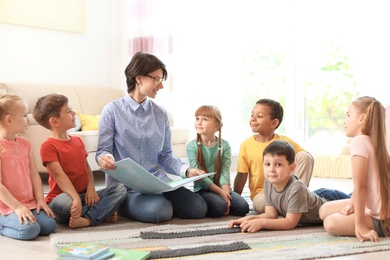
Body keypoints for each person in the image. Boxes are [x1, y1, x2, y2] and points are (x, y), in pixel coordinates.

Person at [96, 51, 208, 223]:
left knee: (198, 208)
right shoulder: (111, 111)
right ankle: (121, 204)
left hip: (158, 182)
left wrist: (186, 170)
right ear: (139, 79)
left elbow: (165, 156)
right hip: (127, 187)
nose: (160, 86)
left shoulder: (161, 114)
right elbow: (103, 151)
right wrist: (105, 158)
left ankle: (157, 202)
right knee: (160, 211)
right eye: (157, 79)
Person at [33, 94, 127, 229]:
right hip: (64, 198)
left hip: (85, 198)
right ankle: (99, 214)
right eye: (68, 111)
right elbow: (60, 176)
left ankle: (87, 219)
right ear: (54, 122)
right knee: (64, 205)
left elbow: (87, 167)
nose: (74, 113)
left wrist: (91, 189)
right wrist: (75, 198)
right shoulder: (48, 147)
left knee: (120, 189)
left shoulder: (77, 140)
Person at [319, 96, 390, 242]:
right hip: (377, 208)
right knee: (323, 210)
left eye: (348, 115)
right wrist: (352, 204)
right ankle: (361, 210)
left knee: (330, 223)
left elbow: (361, 186)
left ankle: (365, 219)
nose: (345, 121)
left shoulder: (358, 142)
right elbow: (367, 184)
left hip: (383, 220)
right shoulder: (373, 142)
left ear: (361, 118)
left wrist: (360, 224)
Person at [234, 98, 314, 214]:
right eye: (252, 115)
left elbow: (305, 159)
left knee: (305, 156)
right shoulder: (246, 145)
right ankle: (290, 206)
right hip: (263, 194)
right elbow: (241, 175)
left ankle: (297, 198)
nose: (253, 119)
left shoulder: (285, 141)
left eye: (259, 116)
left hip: (286, 189)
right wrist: (235, 199)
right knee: (262, 206)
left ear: (274, 123)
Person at [228, 140, 326, 232]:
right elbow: (271, 214)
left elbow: (290, 223)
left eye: (278, 164)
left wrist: (262, 223)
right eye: (267, 164)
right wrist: (248, 219)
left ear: (291, 168)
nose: (271, 169)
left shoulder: (297, 188)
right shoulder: (268, 183)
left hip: (328, 204)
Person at [0, 94, 56, 240]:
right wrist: (17, 207)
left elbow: (34, 175)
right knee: (29, 230)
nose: (29, 120)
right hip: (6, 207)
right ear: (9, 120)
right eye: (25, 115)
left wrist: (40, 200)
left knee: (49, 225)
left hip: (28, 203)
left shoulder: (25, 144)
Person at [186, 105, 249, 217]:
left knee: (243, 208)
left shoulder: (225, 145)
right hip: (203, 189)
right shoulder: (192, 146)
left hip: (221, 188)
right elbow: (201, 178)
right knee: (220, 207)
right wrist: (221, 193)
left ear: (216, 126)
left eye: (204, 119)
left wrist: (226, 193)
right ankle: (212, 203)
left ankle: (223, 203)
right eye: (197, 118)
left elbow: (225, 172)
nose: (199, 122)